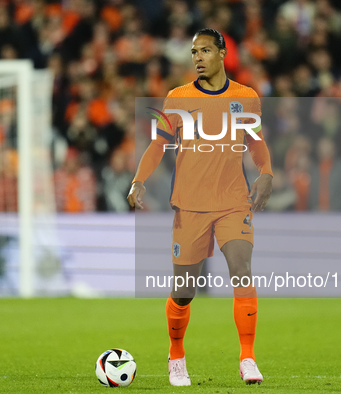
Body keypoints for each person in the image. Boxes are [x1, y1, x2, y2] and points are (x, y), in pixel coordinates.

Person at [127, 28, 273, 386]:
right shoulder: (176, 98)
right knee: (184, 289)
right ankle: (176, 356)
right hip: (190, 206)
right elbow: (158, 144)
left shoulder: (246, 97)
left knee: (242, 268)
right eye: (194, 52)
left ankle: (248, 358)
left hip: (232, 201)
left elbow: (256, 142)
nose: (197, 57)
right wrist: (139, 179)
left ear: (223, 53)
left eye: (205, 50)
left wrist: (266, 172)